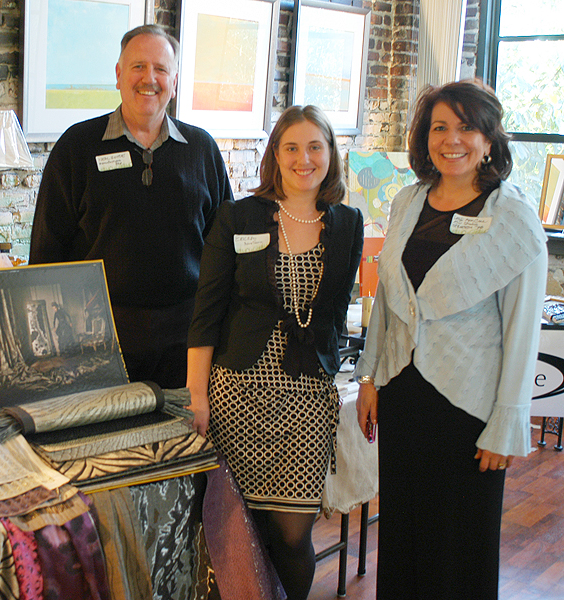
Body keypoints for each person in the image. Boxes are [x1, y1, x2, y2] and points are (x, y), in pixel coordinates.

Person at [354, 80, 547, 599]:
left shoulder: (514, 219)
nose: (452, 139)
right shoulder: (407, 202)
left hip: (469, 408)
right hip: (403, 396)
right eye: (440, 127)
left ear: (489, 140)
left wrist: (507, 425)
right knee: (404, 537)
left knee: (460, 546)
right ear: (425, 137)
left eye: (466, 127)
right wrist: (369, 378)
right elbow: (390, 302)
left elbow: (521, 331)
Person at [187, 105, 363, 600]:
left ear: (330, 153)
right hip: (237, 395)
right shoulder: (238, 217)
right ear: (275, 155)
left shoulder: (348, 224)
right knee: (239, 528)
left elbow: (334, 314)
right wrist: (197, 394)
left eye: (315, 147)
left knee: (292, 532)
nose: (304, 159)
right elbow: (206, 313)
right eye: (292, 148)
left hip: (307, 399)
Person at [29, 24, 234, 389]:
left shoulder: (202, 150)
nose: (149, 79)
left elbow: (224, 252)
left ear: (174, 81)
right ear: (119, 75)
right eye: (138, 66)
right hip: (94, 345)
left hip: (186, 346)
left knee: (181, 429)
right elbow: (46, 251)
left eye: (160, 69)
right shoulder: (77, 147)